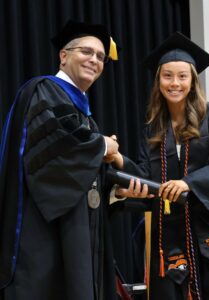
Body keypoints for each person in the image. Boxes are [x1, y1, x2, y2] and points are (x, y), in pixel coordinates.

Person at [108, 32, 209, 299]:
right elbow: (147, 178)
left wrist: (188, 183)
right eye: (167, 76)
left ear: (192, 81)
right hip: (174, 232)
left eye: (182, 76)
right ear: (158, 81)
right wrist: (119, 162)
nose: (174, 83)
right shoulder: (154, 129)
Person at [0, 20, 120, 300]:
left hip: (74, 237)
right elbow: (57, 149)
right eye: (86, 52)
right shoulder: (44, 90)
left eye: (101, 56)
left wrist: (115, 190)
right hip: (44, 238)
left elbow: (80, 176)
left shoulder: (83, 112)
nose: (94, 60)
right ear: (63, 55)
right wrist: (103, 144)